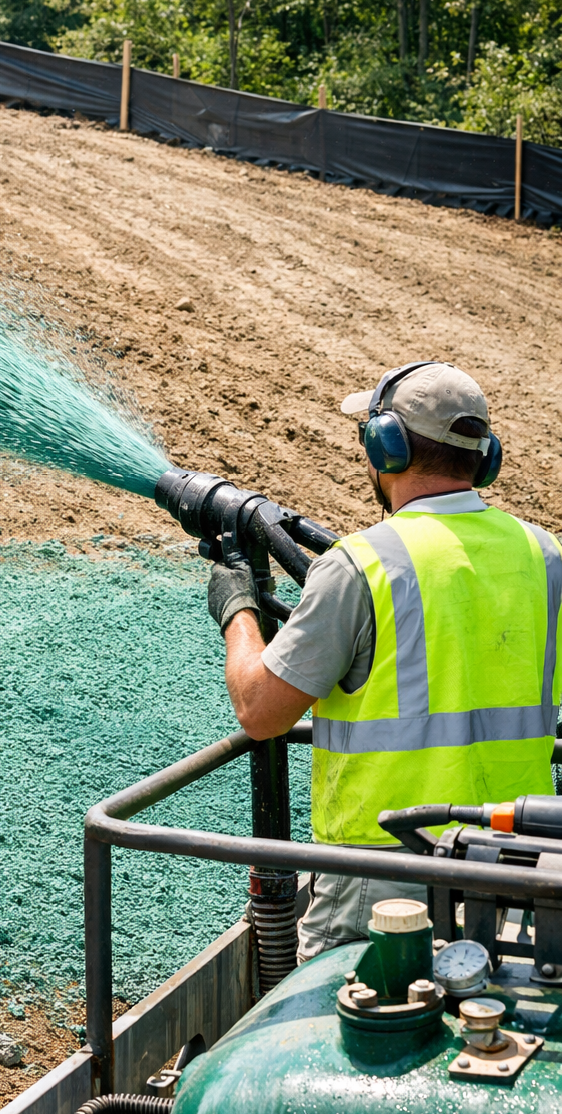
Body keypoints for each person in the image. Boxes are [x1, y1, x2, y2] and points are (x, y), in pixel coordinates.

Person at [206, 361, 562, 962]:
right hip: (518, 862)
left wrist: (237, 608)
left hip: (384, 873)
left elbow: (261, 712)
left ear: (385, 446)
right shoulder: (544, 554)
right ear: (485, 458)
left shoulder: (360, 566)